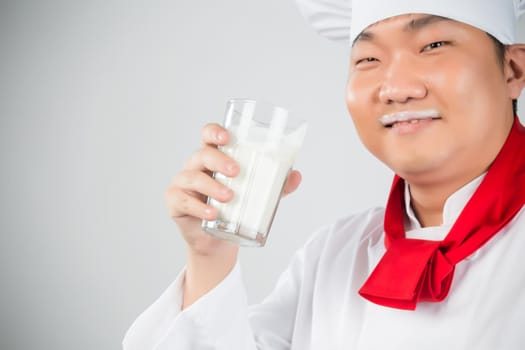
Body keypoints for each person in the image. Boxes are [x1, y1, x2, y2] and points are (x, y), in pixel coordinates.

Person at [123, 0, 525, 348]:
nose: (395, 88)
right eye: (368, 59)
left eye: (433, 45)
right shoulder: (334, 253)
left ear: (513, 70)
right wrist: (209, 253)